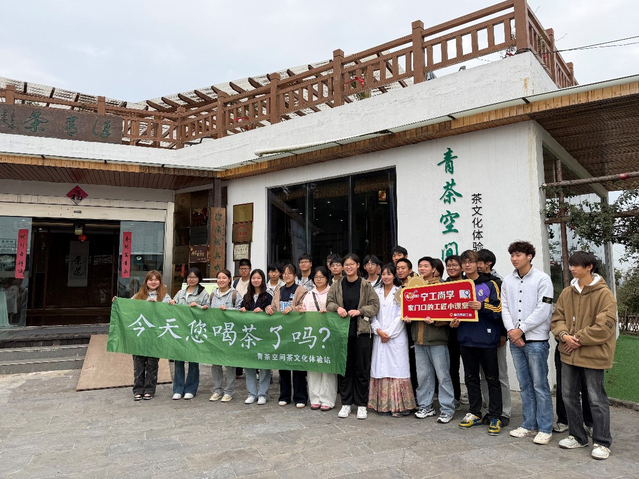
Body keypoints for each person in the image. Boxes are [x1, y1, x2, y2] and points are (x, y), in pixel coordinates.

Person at [551, 251, 617, 460]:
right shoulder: (567, 293)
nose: (572, 268)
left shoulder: (604, 294)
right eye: (571, 265)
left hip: (593, 355)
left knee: (596, 399)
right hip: (568, 354)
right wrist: (564, 336)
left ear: (589, 267)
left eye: (577, 265)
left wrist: (576, 339)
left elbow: (604, 327)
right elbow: (557, 319)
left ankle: (602, 442)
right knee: (568, 396)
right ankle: (578, 436)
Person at [501, 241, 554, 445]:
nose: (514, 259)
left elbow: (544, 309)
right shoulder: (508, 280)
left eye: (518, 255)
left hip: (536, 340)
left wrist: (521, 329)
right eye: (512, 255)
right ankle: (528, 424)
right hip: (515, 340)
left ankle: (545, 427)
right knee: (524, 385)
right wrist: (512, 332)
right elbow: (505, 308)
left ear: (529, 256)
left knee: (540, 385)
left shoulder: (542, 279)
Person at [452, 250, 503, 435]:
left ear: (477, 264)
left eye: (471, 262)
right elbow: (453, 309)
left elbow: (499, 309)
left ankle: (495, 415)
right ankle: (474, 412)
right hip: (466, 339)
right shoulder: (458, 286)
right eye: (464, 262)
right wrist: (453, 321)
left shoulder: (490, 284)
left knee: (492, 379)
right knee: (470, 378)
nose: (467, 265)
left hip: (486, 339)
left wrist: (482, 306)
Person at [327, 253, 380, 420]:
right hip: (342, 333)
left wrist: (360, 311)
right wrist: (337, 308)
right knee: (344, 369)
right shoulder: (337, 285)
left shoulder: (365, 285)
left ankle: (362, 404)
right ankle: (346, 403)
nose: (348, 267)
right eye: (346, 264)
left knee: (361, 369)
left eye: (352, 264)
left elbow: (375, 305)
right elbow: (329, 303)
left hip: (361, 332)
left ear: (358, 266)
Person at [405, 257, 456, 423]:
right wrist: (407, 317)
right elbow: (409, 308)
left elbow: (449, 313)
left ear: (434, 269)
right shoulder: (414, 287)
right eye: (420, 266)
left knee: (443, 376)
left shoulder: (442, 287)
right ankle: (425, 406)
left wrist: (435, 321)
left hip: (437, 340)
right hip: (419, 340)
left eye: (426, 266)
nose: (422, 268)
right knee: (423, 376)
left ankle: (447, 409)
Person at [369, 264, 416, 417]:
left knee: (397, 369)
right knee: (381, 368)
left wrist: (388, 333)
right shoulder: (375, 292)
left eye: (389, 274)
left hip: (396, 337)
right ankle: (382, 406)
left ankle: (400, 406)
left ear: (394, 276)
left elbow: (401, 315)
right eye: (383, 274)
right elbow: (372, 314)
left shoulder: (400, 292)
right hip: (379, 336)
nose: (386, 277)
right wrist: (378, 330)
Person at [266, 264, 309, 408]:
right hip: (282, 332)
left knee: (297, 365)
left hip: (296, 332)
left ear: (295, 275)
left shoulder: (301, 290)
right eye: (284, 273)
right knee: (283, 364)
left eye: (290, 273)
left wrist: (293, 308)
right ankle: (284, 395)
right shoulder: (279, 290)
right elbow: (273, 306)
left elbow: (304, 307)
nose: (286, 275)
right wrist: (268, 308)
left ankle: (300, 397)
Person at [477, 248, 512, 427]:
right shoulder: (473, 282)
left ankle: (504, 411)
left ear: (488, 263)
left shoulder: (499, 282)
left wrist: (503, 333)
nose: (476, 265)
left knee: (500, 374)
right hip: (480, 336)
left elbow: (504, 310)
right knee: (484, 375)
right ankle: (491, 409)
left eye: (479, 262)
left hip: (496, 335)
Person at [297, 266, 337, 411]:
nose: (318, 279)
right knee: (313, 366)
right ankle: (315, 398)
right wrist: (301, 310)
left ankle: (327, 399)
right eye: (316, 277)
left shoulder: (333, 293)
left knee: (327, 368)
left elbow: (337, 310)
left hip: (328, 335)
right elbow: (303, 309)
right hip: (312, 335)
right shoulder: (309, 294)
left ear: (327, 278)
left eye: (321, 277)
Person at [169, 267, 210, 400]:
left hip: (194, 330)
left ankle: (191, 389)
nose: (191, 279)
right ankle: (178, 389)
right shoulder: (181, 292)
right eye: (189, 277)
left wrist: (199, 307)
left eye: (194, 277)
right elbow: (173, 305)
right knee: (178, 359)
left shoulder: (204, 294)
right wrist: (172, 302)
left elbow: (208, 311)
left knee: (193, 360)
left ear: (199, 279)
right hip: (180, 329)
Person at [130, 270, 171, 401]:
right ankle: (138, 389)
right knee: (138, 364)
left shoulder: (164, 297)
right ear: (146, 281)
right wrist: (117, 302)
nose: (153, 282)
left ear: (160, 281)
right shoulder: (138, 295)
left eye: (156, 279)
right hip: (140, 336)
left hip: (155, 336)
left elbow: (168, 312)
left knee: (152, 364)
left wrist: (161, 305)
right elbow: (128, 307)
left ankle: (149, 389)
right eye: (150, 279)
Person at [239, 269, 273, 405]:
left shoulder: (268, 296)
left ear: (263, 280)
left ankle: (263, 393)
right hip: (249, 336)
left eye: (259, 278)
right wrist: (242, 310)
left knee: (264, 365)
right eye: (254, 278)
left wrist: (264, 311)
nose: (256, 280)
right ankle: (252, 393)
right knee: (249, 365)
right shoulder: (246, 296)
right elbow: (240, 311)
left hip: (264, 336)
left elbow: (272, 312)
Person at [207, 269, 242, 402]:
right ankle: (217, 390)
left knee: (229, 364)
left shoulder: (235, 294)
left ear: (229, 280)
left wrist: (229, 310)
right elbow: (208, 309)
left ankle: (229, 391)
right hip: (216, 333)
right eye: (219, 278)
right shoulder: (213, 295)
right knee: (215, 363)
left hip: (229, 333)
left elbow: (241, 311)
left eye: (224, 278)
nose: (221, 280)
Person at [445, 255, 464, 407]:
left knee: (472, 369)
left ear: (462, 267)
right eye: (449, 265)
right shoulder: (443, 286)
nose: (451, 268)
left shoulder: (468, 284)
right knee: (452, 367)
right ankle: (455, 397)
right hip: (450, 333)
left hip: (468, 332)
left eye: (454, 265)